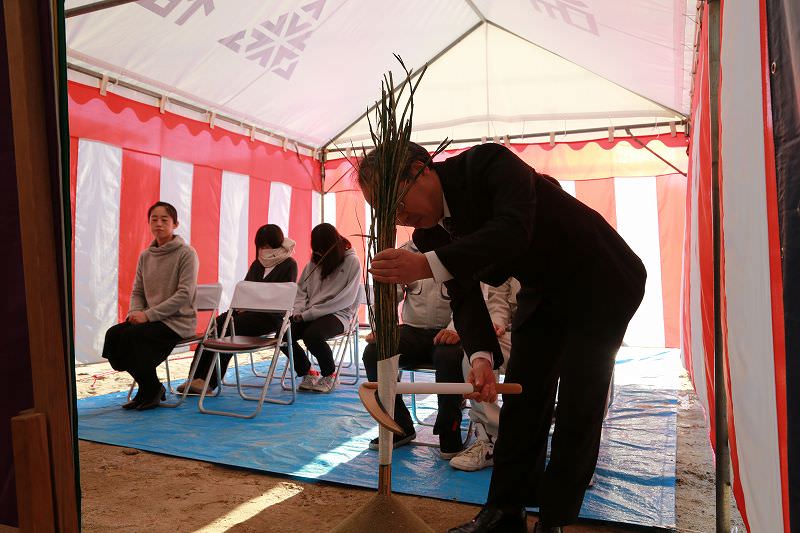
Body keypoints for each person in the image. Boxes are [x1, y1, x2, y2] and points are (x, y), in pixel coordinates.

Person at [359, 142, 646, 533]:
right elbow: (463, 294)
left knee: (580, 397)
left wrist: (425, 266)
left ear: (421, 169)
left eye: (397, 202)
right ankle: (504, 513)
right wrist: (480, 357)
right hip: (545, 287)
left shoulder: (488, 164)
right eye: (386, 211)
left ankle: (553, 519)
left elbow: (512, 231)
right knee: (525, 394)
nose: (399, 216)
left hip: (603, 277)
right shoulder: (428, 235)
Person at [362, 240, 466, 457]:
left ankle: (450, 432)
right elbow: (391, 298)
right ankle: (399, 426)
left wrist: (455, 329)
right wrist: (383, 328)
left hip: (451, 331)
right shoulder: (404, 253)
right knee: (375, 352)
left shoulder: (460, 246)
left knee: (449, 359)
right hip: (413, 331)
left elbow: (471, 297)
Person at [178, 224, 298, 394]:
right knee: (216, 325)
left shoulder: (289, 264)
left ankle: (209, 382)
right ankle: (194, 378)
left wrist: (253, 301)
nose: (265, 250)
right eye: (261, 246)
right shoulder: (257, 264)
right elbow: (246, 290)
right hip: (247, 312)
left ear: (277, 245)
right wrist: (246, 302)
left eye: (269, 246)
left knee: (229, 331)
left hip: (270, 317)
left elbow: (281, 297)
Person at [102, 201, 198, 410]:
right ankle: (151, 387)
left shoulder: (186, 253)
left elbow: (184, 295)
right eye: (154, 219)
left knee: (133, 337)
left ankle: (150, 389)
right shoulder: (146, 255)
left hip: (177, 320)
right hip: (151, 319)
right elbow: (138, 291)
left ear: (175, 224)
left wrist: (149, 315)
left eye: (165, 219)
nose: (159, 224)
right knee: (114, 335)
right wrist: (135, 312)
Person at [449, 277, 519, 472]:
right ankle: (490, 439)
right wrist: (497, 323)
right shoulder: (512, 252)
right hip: (519, 335)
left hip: (573, 335)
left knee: (589, 358)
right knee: (478, 355)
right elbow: (499, 298)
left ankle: (574, 452)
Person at [284, 223, 361, 393]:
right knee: (283, 335)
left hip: (339, 314)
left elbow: (345, 299)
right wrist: (298, 311)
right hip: (310, 313)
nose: (318, 254)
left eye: (322, 249)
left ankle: (330, 375)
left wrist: (309, 314)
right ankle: (307, 371)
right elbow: (301, 291)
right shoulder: (314, 262)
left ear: (332, 246)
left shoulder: (352, 262)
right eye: (316, 250)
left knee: (312, 336)